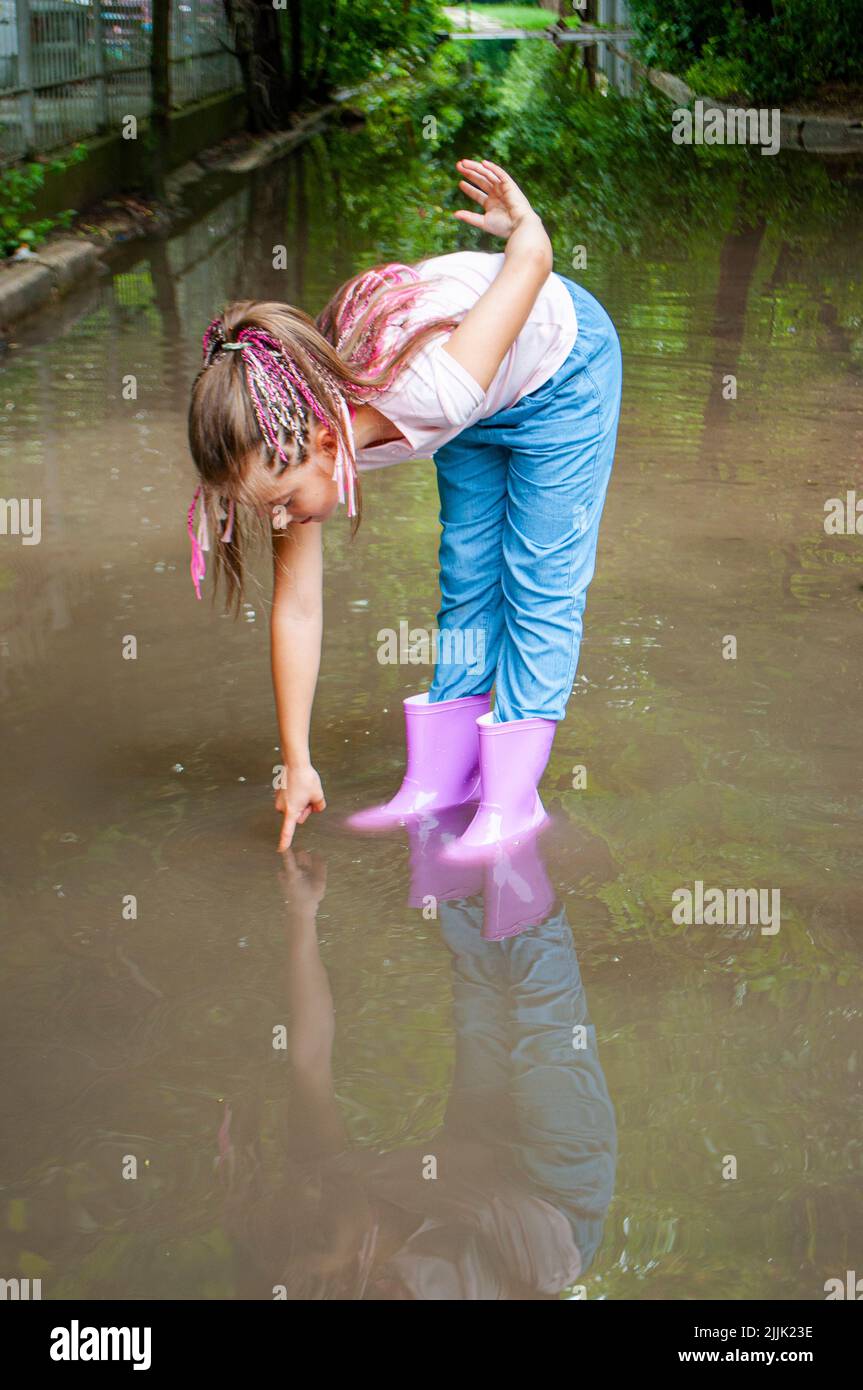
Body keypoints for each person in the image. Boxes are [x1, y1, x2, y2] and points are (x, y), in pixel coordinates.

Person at [187, 159, 622, 857]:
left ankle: (511, 803)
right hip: (480, 386)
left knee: (537, 580)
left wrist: (522, 224)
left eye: (282, 504)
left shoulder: (429, 393)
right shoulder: (296, 441)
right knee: (467, 578)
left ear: (327, 443)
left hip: (560, 368)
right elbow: (296, 609)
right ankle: (440, 781)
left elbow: (534, 259)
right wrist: (296, 762)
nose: (279, 522)